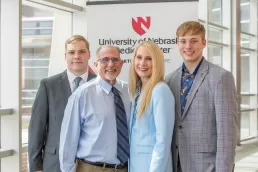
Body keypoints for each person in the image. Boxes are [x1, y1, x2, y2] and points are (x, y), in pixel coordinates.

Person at [165, 21, 238, 172]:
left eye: (194, 41)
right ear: (177, 43)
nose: (188, 46)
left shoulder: (221, 77)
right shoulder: (170, 79)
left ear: (204, 43)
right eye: (183, 41)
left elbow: (227, 132)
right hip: (176, 163)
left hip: (207, 165)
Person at [28, 35, 96, 172]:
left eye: (82, 52)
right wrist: (35, 167)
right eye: (71, 52)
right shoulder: (48, 86)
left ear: (89, 55)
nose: (77, 56)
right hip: (54, 163)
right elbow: (36, 129)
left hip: (92, 164)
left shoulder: (100, 85)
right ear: (65, 56)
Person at [59, 45, 130, 172]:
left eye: (115, 60)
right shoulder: (81, 95)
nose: (110, 64)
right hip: (92, 168)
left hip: (125, 168)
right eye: (105, 60)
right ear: (96, 64)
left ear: (121, 63)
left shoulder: (129, 91)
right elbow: (68, 141)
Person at [129, 41, 175, 172]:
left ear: (157, 63)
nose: (142, 63)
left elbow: (163, 141)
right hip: (135, 165)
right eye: (139, 57)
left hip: (151, 166)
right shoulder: (137, 90)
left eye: (149, 58)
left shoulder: (160, 90)